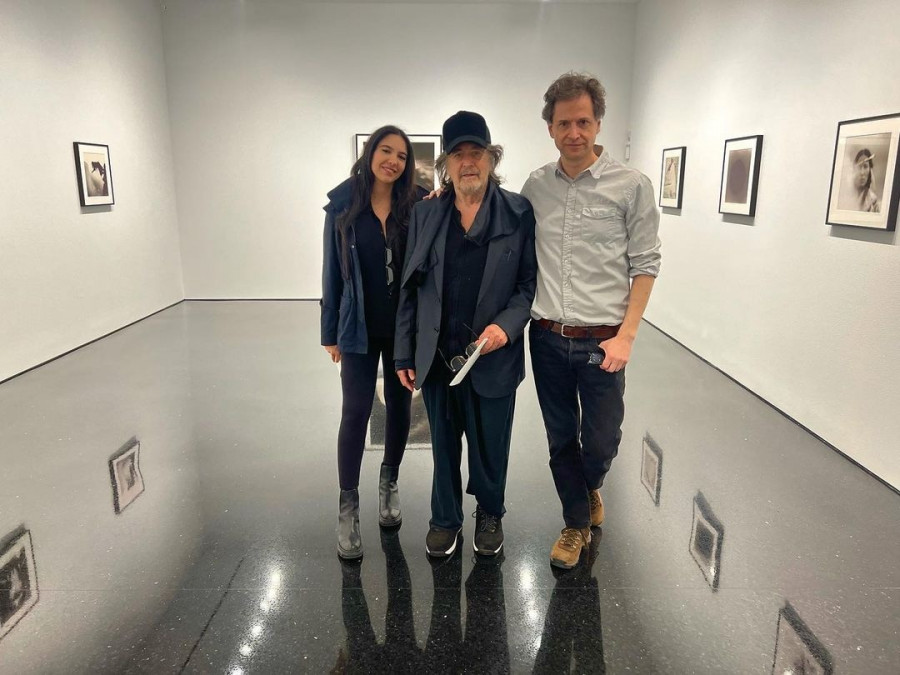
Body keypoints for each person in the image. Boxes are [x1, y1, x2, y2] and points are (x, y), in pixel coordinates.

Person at [521, 73, 661, 569]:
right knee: (560, 438)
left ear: (598, 123)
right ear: (550, 128)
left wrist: (627, 336)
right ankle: (575, 524)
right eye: (564, 123)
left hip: (604, 341)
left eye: (583, 121)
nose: (574, 132)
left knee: (601, 440)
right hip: (547, 336)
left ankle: (590, 485)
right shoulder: (535, 186)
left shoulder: (632, 186)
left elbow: (646, 264)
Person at [394, 111, 537, 558]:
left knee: (491, 444)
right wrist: (404, 354)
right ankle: (445, 518)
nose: (468, 162)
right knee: (442, 444)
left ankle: (490, 513)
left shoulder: (518, 212)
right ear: (446, 165)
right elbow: (411, 287)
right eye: (458, 154)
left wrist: (505, 328)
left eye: (477, 153)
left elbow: (528, 286)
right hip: (439, 354)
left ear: (492, 159)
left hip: (492, 355)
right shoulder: (427, 213)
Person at [321, 125, 427, 560]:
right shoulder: (343, 204)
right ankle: (348, 506)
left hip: (403, 327)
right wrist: (329, 332)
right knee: (355, 411)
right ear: (370, 153)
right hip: (358, 326)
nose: (393, 161)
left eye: (401, 156)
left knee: (400, 407)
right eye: (386, 151)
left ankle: (389, 483)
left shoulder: (418, 204)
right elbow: (331, 270)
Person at [847, 148, 881, 213]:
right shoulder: (847, 194)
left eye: (865, 167)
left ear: (870, 170)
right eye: (859, 167)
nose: (862, 172)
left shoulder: (873, 201)